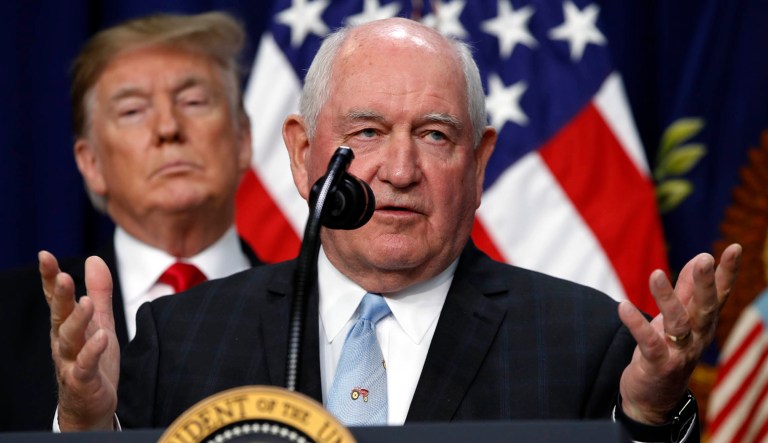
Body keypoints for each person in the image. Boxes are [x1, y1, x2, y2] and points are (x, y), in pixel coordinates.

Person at [42, 17, 741, 441]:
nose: (399, 169)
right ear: (299, 152)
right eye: (367, 131)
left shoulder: (586, 340)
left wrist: (649, 416)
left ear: (479, 163)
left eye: (435, 135)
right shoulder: (180, 337)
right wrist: (87, 426)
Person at [0, 12, 262, 431]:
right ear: (91, 163)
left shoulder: (323, 309)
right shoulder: (8, 319)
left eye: (194, 102)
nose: (168, 127)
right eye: (133, 110)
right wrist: (80, 423)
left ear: (243, 140)